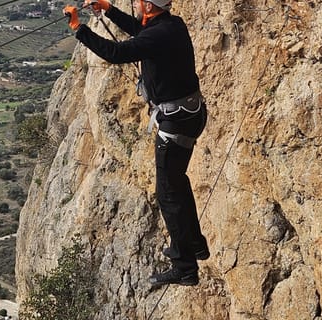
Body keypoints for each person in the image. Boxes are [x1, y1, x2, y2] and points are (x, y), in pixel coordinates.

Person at [63, 0, 210, 287]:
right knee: (177, 184)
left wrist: (79, 29)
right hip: (188, 114)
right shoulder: (171, 25)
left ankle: (185, 267)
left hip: (175, 122)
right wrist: (108, 9)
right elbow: (140, 33)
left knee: (168, 195)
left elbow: (117, 53)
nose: (137, 5)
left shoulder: (158, 34)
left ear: (148, 6)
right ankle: (194, 244)